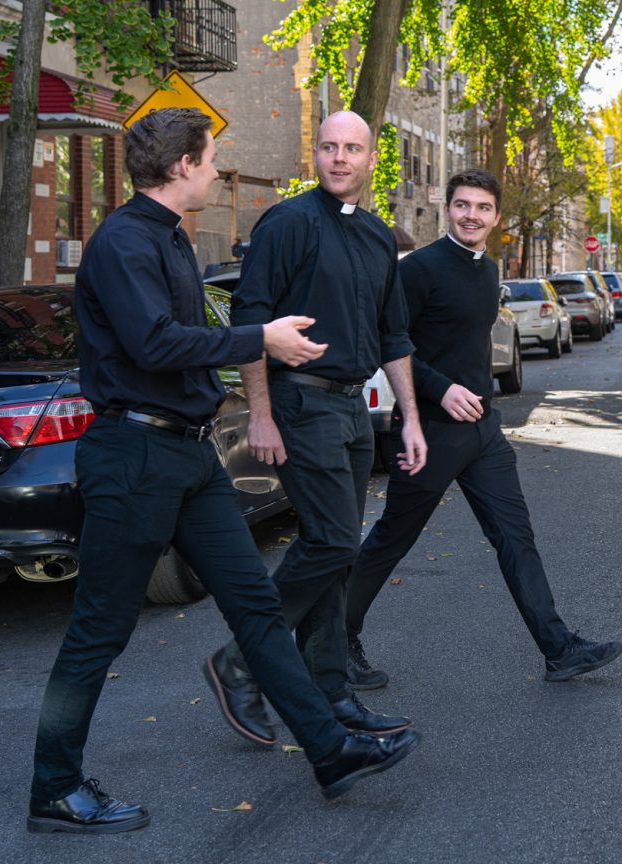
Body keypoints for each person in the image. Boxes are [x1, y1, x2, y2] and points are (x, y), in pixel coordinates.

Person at [27, 108, 419, 836]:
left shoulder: (171, 239)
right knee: (99, 632)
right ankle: (54, 787)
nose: (214, 171)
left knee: (258, 609)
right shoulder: (121, 242)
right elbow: (153, 342)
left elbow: (188, 337)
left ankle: (330, 751)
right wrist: (258, 339)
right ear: (181, 165)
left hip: (188, 453)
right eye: (209, 160)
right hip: (133, 457)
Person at [344, 168, 622, 690]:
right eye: (463, 205)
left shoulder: (488, 269)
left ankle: (558, 648)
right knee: (391, 539)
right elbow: (389, 342)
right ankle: (338, 637)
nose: (472, 215)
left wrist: (475, 398)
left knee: (516, 537)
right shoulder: (418, 271)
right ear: (448, 209)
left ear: (496, 218)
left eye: (483, 208)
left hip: (483, 434)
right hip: (427, 431)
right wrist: (439, 389)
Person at [202, 111, 427, 746]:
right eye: (328, 146)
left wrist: (409, 417)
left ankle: (330, 692)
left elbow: (394, 336)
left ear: (372, 158)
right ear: (316, 153)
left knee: (334, 552)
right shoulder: (288, 222)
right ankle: (241, 661)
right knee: (332, 544)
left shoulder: (381, 236)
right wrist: (263, 413)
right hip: (300, 404)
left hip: (355, 409)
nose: (339, 158)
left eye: (352, 148)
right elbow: (250, 318)